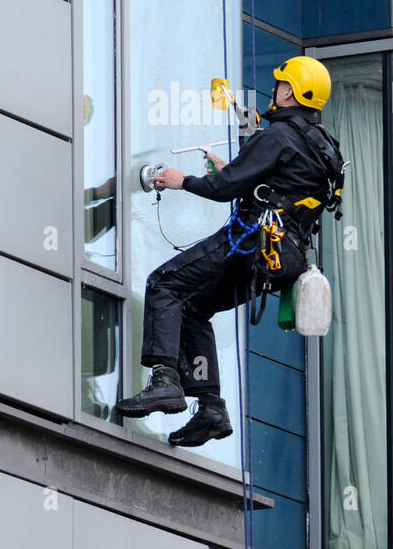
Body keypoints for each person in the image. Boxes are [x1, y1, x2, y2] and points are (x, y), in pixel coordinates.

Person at [116, 57, 345, 448]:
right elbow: (274, 187)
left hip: (252, 240)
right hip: (284, 259)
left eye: (279, 84)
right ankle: (211, 407)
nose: (275, 89)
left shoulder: (279, 136)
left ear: (289, 91)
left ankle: (166, 379)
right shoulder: (323, 146)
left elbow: (223, 189)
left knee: (164, 283)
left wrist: (180, 180)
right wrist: (229, 170)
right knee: (193, 309)